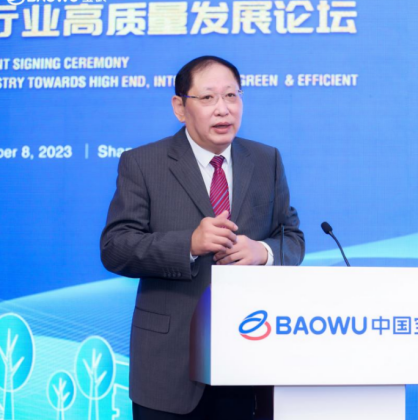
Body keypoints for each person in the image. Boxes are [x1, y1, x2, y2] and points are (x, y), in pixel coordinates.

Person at [100, 56, 305, 419]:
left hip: (249, 359)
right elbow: (115, 248)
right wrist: (188, 245)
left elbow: (292, 239)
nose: (223, 109)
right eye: (208, 98)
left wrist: (262, 252)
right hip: (168, 365)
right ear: (180, 107)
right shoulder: (143, 163)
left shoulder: (266, 160)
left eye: (231, 96)